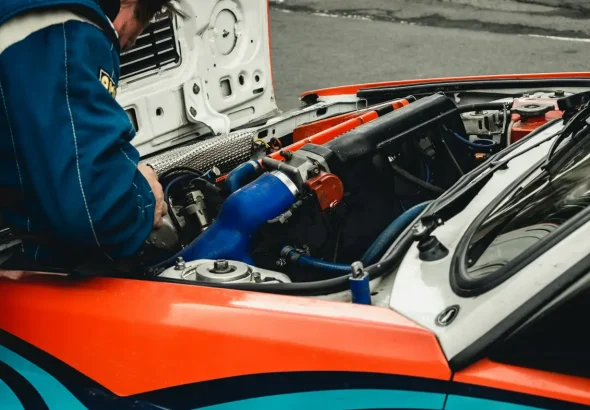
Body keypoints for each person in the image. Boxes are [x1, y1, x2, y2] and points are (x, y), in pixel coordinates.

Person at [0, 0, 179, 274]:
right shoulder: (62, 25)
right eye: (133, 35)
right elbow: (96, 214)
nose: (124, 44)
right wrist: (144, 195)